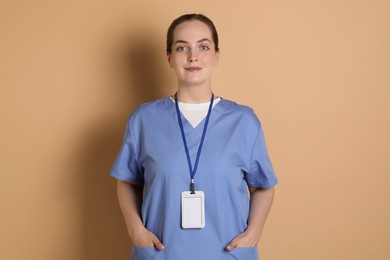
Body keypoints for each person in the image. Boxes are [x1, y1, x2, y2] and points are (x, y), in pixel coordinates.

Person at [110, 13, 278, 260]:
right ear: (169, 57)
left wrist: (253, 233)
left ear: (216, 55)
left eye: (203, 46)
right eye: (181, 48)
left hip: (225, 254)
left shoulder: (243, 122)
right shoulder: (144, 120)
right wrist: (135, 229)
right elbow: (127, 181)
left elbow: (263, 186)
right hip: (163, 254)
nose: (193, 56)